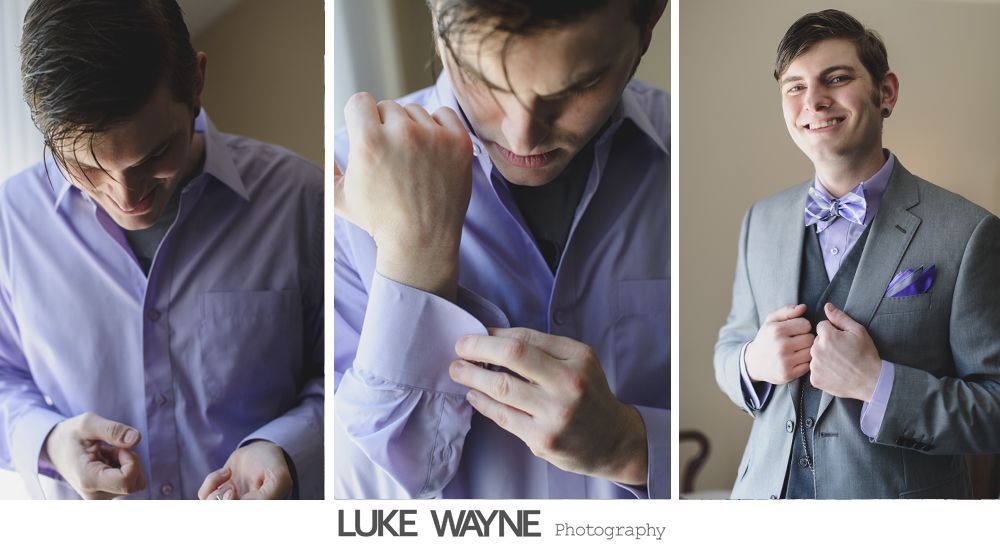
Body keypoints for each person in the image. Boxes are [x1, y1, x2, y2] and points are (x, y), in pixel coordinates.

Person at [334, 0, 669, 498]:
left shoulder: (689, 156)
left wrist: (631, 448)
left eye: (578, 87)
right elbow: (355, 499)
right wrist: (414, 258)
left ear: (651, 21)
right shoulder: (344, 182)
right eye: (481, 80)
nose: (522, 136)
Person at [0, 0, 323, 499]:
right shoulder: (10, 222)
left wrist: (285, 447)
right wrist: (50, 441)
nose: (126, 197)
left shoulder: (301, 201)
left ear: (196, 84)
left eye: (154, 154)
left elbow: (345, 375)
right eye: (86, 168)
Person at [715, 9, 1000, 499]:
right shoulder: (759, 221)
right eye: (795, 86)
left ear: (885, 92)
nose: (814, 100)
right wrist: (752, 362)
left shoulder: (970, 232)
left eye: (837, 78)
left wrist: (878, 383)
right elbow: (729, 346)